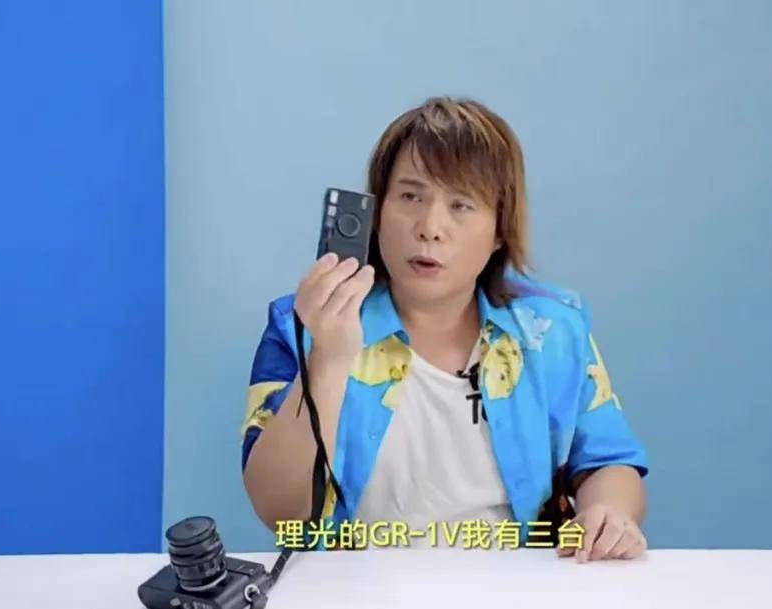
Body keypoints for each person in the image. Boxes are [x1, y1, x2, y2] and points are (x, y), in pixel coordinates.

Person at [240, 96, 649, 561]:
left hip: (518, 583)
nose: (430, 227)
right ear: (376, 212)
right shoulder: (300, 324)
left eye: (461, 205)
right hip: (356, 585)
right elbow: (282, 513)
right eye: (410, 197)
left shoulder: (550, 329)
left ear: (499, 231)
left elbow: (608, 462)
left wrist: (608, 514)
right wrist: (328, 358)